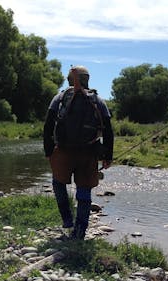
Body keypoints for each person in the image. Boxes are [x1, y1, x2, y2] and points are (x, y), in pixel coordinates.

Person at [43, 66, 114, 240]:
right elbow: (108, 130)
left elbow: (48, 125)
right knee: (84, 190)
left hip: (63, 151)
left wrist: (49, 150)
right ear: (87, 79)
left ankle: (67, 219)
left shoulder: (59, 98)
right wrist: (107, 155)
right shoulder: (98, 100)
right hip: (89, 153)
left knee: (58, 183)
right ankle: (80, 231)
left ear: (69, 79)